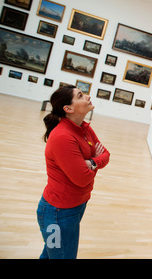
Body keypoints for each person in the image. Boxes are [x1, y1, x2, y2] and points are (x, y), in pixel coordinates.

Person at [37, 85, 110, 259]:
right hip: (58, 212)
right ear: (68, 108)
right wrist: (94, 165)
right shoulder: (63, 136)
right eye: (80, 95)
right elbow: (82, 178)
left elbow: (106, 154)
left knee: (50, 255)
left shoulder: (84, 128)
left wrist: (92, 162)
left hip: (76, 205)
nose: (87, 97)